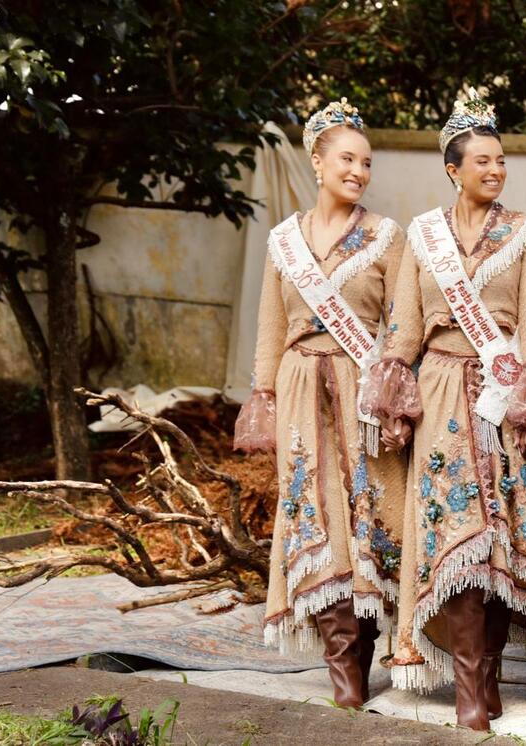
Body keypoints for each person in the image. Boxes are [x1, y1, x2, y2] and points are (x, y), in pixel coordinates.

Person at [363, 89, 526, 731]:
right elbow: (405, 328)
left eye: (501, 161)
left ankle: (490, 676)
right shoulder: (423, 235)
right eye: (482, 162)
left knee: (502, 543)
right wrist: (388, 396)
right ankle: (470, 689)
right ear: (453, 168)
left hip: (502, 398)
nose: (495, 171)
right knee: (457, 538)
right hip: (442, 393)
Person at [233, 99, 408, 708]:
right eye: (347, 159)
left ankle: (368, 642)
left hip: (363, 390)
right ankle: (342, 664)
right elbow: (269, 327)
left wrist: (390, 389)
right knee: (316, 515)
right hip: (302, 385)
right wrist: (267, 396)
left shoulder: (388, 237)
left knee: (369, 514)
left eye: (366, 162)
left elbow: (401, 322)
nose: (358, 171)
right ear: (317, 162)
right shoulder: (284, 241)